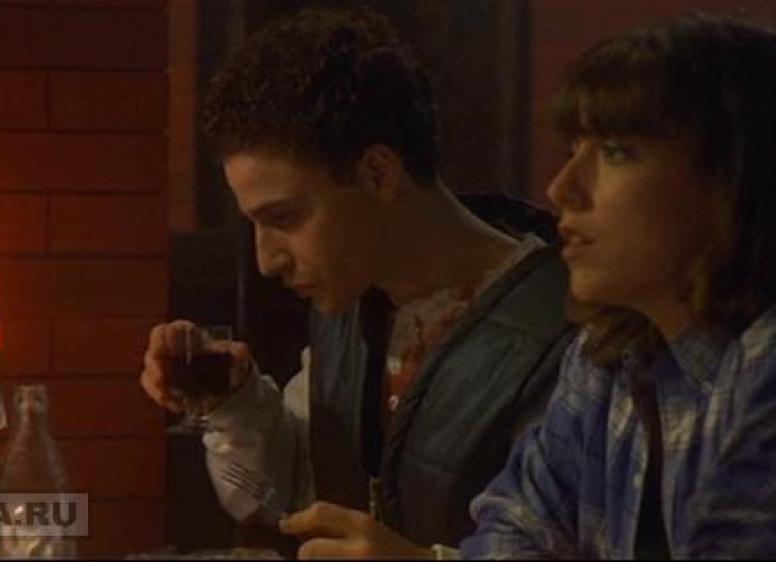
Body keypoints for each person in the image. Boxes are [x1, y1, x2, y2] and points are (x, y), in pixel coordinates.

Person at [140, 6, 573, 559]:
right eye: (255, 225)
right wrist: (235, 406)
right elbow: (288, 493)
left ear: (377, 174)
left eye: (284, 218)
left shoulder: (566, 334)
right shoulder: (350, 305)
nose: (266, 261)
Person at [461, 12, 776, 559]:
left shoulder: (764, 364)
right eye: (572, 150)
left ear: (733, 178)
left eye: (615, 152)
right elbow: (510, 526)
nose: (561, 188)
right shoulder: (611, 351)